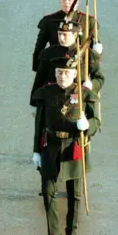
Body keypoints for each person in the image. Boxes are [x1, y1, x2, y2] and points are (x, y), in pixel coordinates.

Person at [31, 56, 100, 235]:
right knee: (48, 192)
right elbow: (39, 124)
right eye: (60, 73)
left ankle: (72, 231)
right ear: (55, 74)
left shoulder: (84, 94)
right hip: (51, 146)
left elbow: (96, 122)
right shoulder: (46, 93)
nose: (63, 76)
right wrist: (36, 151)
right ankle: (54, 232)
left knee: (75, 195)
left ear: (74, 74)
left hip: (73, 147)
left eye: (67, 73)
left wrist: (88, 126)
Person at [30, 20, 104, 107]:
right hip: (52, 101)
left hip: (79, 101)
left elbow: (99, 78)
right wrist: (34, 103)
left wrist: (92, 84)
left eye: (65, 35)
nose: (61, 38)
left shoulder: (88, 54)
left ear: (75, 35)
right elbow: (39, 79)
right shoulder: (48, 53)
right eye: (59, 34)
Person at [31, 0, 101, 71]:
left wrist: (93, 71)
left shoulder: (88, 21)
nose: (66, 2)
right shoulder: (49, 20)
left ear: (77, 2)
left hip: (80, 69)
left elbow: (95, 48)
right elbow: (39, 47)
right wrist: (37, 70)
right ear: (60, 0)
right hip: (55, 69)